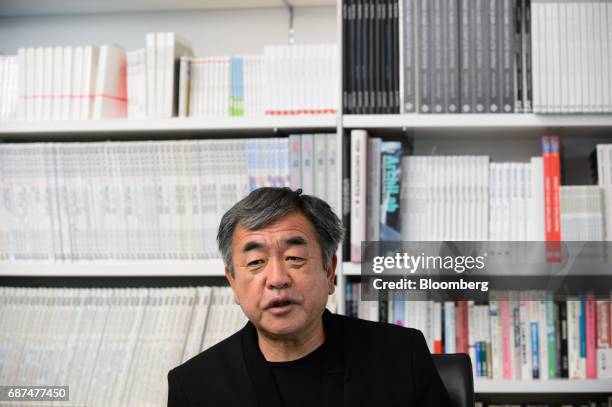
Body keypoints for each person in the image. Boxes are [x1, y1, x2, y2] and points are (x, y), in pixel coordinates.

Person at [167, 187, 449, 406]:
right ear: (233, 283)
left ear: (329, 272)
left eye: (295, 257)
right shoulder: (194, 387)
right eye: (255, 262)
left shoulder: (401, 357)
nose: (277, 279)